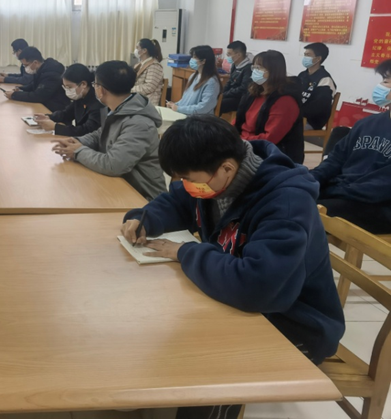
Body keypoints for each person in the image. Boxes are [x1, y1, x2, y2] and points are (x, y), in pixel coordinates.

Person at [122, 116, 344, 419]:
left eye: (190, 179)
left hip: (295, 323)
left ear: (227, 168)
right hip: (248, 304)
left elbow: (257, 288)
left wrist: (186, 252)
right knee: (158, 323)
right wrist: (144, 218)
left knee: (214, 362)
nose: (187, 186)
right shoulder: (215, 178)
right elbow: (177, 202)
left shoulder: (286, 202)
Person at [51, 61, 166, 200]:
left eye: (95, 84)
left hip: (143, 198)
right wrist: (75, 141)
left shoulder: (139, 124)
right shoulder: (119, 108)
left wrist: (78, 151)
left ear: (101, 90)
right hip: (119, 186)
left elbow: (113, 165)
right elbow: (99, 134)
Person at [310, 59, 391, 234]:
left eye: (387, 81)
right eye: (384, 80)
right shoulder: (368, 123)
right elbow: (336, 159)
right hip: (345, 193)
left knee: (299, 213)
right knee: (285, 196)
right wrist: (312, 180)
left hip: (378, 206)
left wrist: (333, 191)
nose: (382, 86)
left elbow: (381, 187)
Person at [233, 50, 304, 164]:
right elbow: (239, 120)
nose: (255, 71)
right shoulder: (254, 91)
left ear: (273, 71)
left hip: (271, 154)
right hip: (246, 144)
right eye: (254, 67)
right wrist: (228, 134)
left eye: (259, 68)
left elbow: (270, 138)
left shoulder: (285, 100)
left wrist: (240, 140)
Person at [33, 63, 103, 137]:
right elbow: (66, 114)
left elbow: (86, 130)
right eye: (65, 87)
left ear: (83, 84)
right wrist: (49, 117)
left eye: (69, 87)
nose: (67, 90)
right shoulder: (80, 96)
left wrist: (55, 127)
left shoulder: (97, 102)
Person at [3, 46, 69, 112]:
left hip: (55, 110)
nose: (25, 68)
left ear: (35, 62)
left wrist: (14, 95)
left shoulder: (51, 74)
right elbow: (34, 85)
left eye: (26, 65)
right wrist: (21, 89)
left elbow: (38, 96)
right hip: (45, 105)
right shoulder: (42, 69)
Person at [167, 45, 220, 116]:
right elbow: (185, 100)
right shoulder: (193, 76)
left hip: (199, 119)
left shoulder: (211, 82)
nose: (191, 59)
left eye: (195, 57)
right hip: (187, 115)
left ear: (203, 61)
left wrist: (179, 109)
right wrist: (174, 104)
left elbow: (204, 107)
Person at [298, 42, 337, 130]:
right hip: (297, 117)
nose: (305, 57)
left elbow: (318, 107)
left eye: (308, 55)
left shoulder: (325, 80)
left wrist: (296, 112)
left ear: (318, 58)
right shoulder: (302, 75)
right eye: (304, 54)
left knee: (282, 128)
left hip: (311, 121)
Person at [219, 40, 252, 114]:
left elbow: (243, 88)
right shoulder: (234, 65)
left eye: (229, 54)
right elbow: (229, 81)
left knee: (218, 104)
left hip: (240, 98)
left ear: (238, 55)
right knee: (214, 100)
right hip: (231, 94)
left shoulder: (248, 68)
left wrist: (225, 94)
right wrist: (222, 93)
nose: (228, 57)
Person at [131, 38, 165, 106]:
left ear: (144, 50)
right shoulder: (140, 64)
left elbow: (149, 87)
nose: (136, 50)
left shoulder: (154, 66)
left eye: (137, 48)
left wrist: (129, 89)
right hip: (138, 99)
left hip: (147, 103)